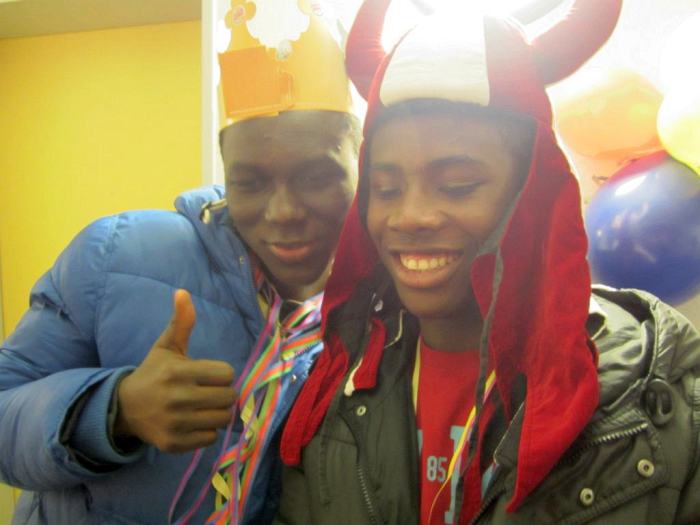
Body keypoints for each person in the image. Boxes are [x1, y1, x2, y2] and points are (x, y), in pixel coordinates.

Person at [274, 0, 700, 524]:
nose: (409, 216)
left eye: (457, 185)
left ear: (532, 195)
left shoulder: (664, 398)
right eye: (385, 189)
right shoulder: (332, 389)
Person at [0, 5, 360, 524]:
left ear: (360, 158)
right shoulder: (115, 256)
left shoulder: (386, 316)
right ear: (225, 168)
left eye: (315, 176)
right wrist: (116, 410)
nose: (283, 212)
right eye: (250, 182)